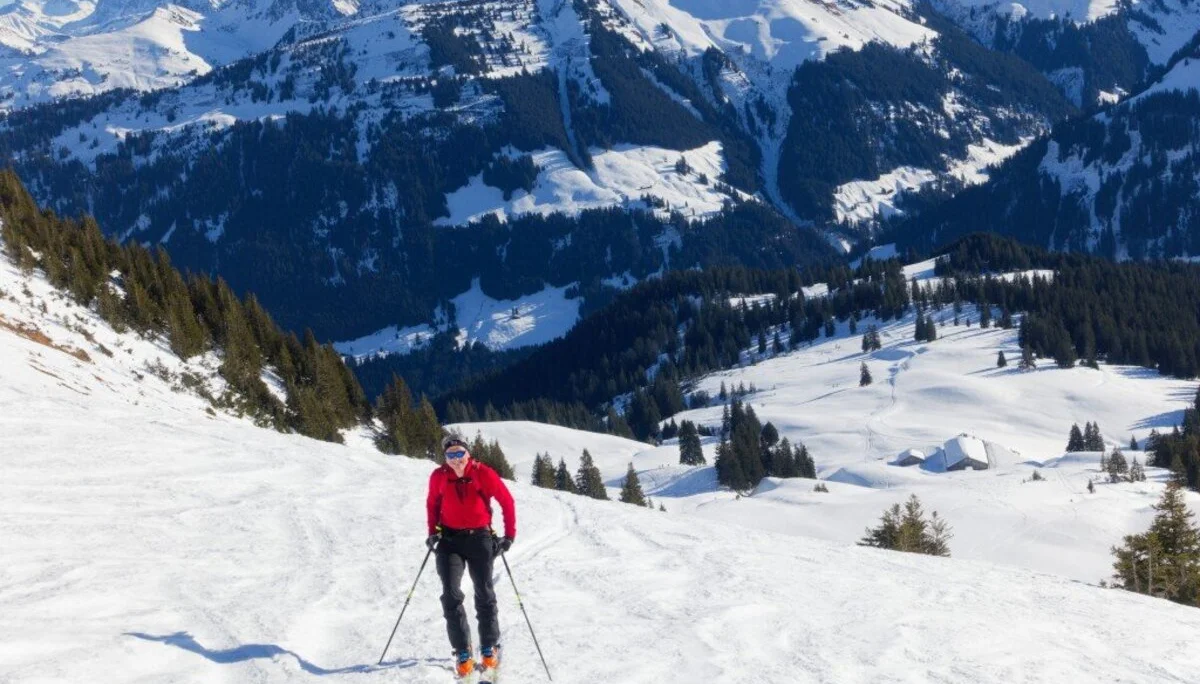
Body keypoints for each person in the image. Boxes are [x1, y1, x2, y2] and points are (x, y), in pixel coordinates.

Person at [426, 435, 517, 678]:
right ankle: (462, 649)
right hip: (449, 541)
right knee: (450, 593)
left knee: (484, 592)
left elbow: (506, 501)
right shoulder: (438, 477)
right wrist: (432, 532)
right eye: (450, 455)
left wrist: (509, 536)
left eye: (459, 453)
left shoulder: (483, 473)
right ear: (445, 457)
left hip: (480, 539)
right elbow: (432, 503)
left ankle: (488, 645)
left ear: (468, 454)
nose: (456, 459)